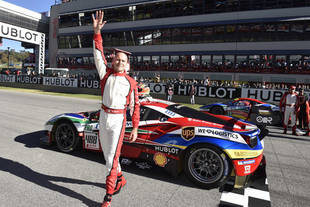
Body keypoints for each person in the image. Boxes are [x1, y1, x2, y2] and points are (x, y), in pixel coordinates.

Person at [92, 11, 140, 207]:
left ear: (127, 65)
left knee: (112, 158)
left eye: (123, 60)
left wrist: (135, 127)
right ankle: (121, 178)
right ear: (113, 61)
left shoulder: (131, 83)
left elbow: (136, 106)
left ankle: (108, 195)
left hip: (119, 121)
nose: (119, 62)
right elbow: (98, 52)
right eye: (117, 59)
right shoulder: (105, 74)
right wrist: (97, 33)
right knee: (107, 156)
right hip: (103, 116)